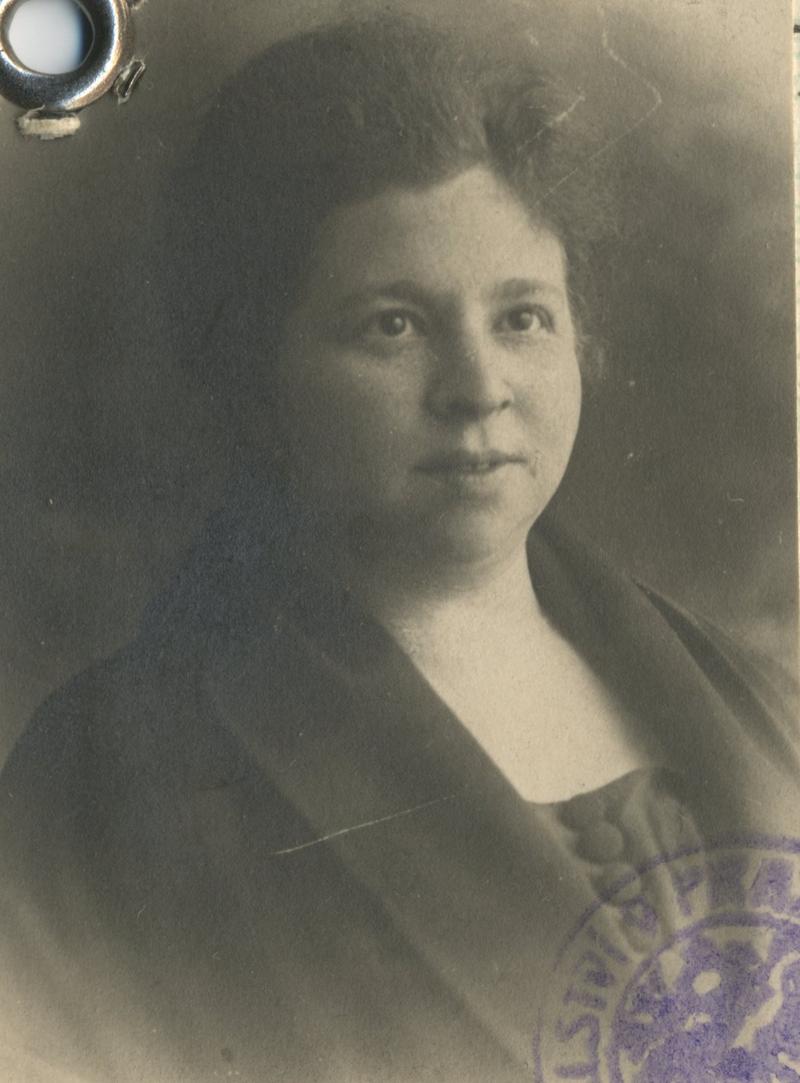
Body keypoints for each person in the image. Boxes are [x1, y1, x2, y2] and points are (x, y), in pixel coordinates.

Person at [0, 13, 796, 1082]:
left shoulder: (755, 696)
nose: (478, 389)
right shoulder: (105, 782)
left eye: (522, 317)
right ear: (256, 374)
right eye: (394, 325)